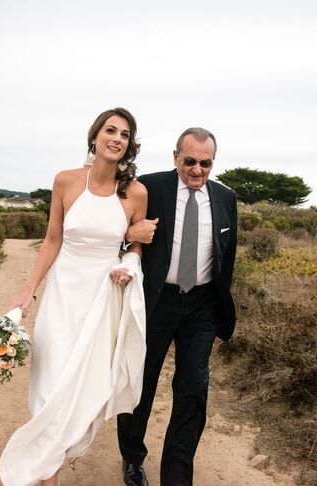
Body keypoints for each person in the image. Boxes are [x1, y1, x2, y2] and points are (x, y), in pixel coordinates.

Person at [0, 108, 148, 486]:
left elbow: (134, 247)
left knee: (83, 393)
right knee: (49, 388)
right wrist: (28, 291)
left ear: (130, 145)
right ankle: (49, 477)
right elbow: (53, 239)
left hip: (102, 302)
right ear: (94, 137)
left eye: (125, 134)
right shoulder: (65, 181)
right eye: (110, 130)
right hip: (62, 296)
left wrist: (129, 262)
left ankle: (50, 465)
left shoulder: (135, 193)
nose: (117, 138)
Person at [117, 128, 238, 486]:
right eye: (190, 161)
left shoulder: (225, 198)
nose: (198, 170)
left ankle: (176, 475)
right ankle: (132, 458)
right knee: (139, 385)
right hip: (156, 301)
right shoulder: (148, 188)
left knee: (192, 390)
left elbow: (225, 259)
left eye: (206, 163)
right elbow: (114, 231)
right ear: (175, 157)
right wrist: (128, 236)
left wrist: (218, 313)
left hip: (201, 306)